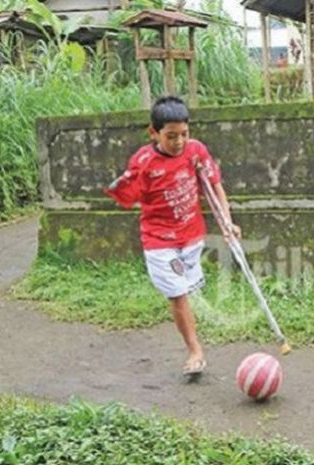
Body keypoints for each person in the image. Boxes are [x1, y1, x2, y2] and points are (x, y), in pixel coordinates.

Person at [105, 96, 240, 377]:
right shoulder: (143, 163)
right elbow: (126, 195)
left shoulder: (196, 151)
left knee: (188, 289)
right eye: (170, 136)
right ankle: (195, 350)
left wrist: (227, 222)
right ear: (153, 133)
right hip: (159, 241)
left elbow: (215, 187)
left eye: (184, 134)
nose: (178, 142)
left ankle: (191, 334)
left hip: (191, 237)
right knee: (177, 295)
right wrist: (125, 185)